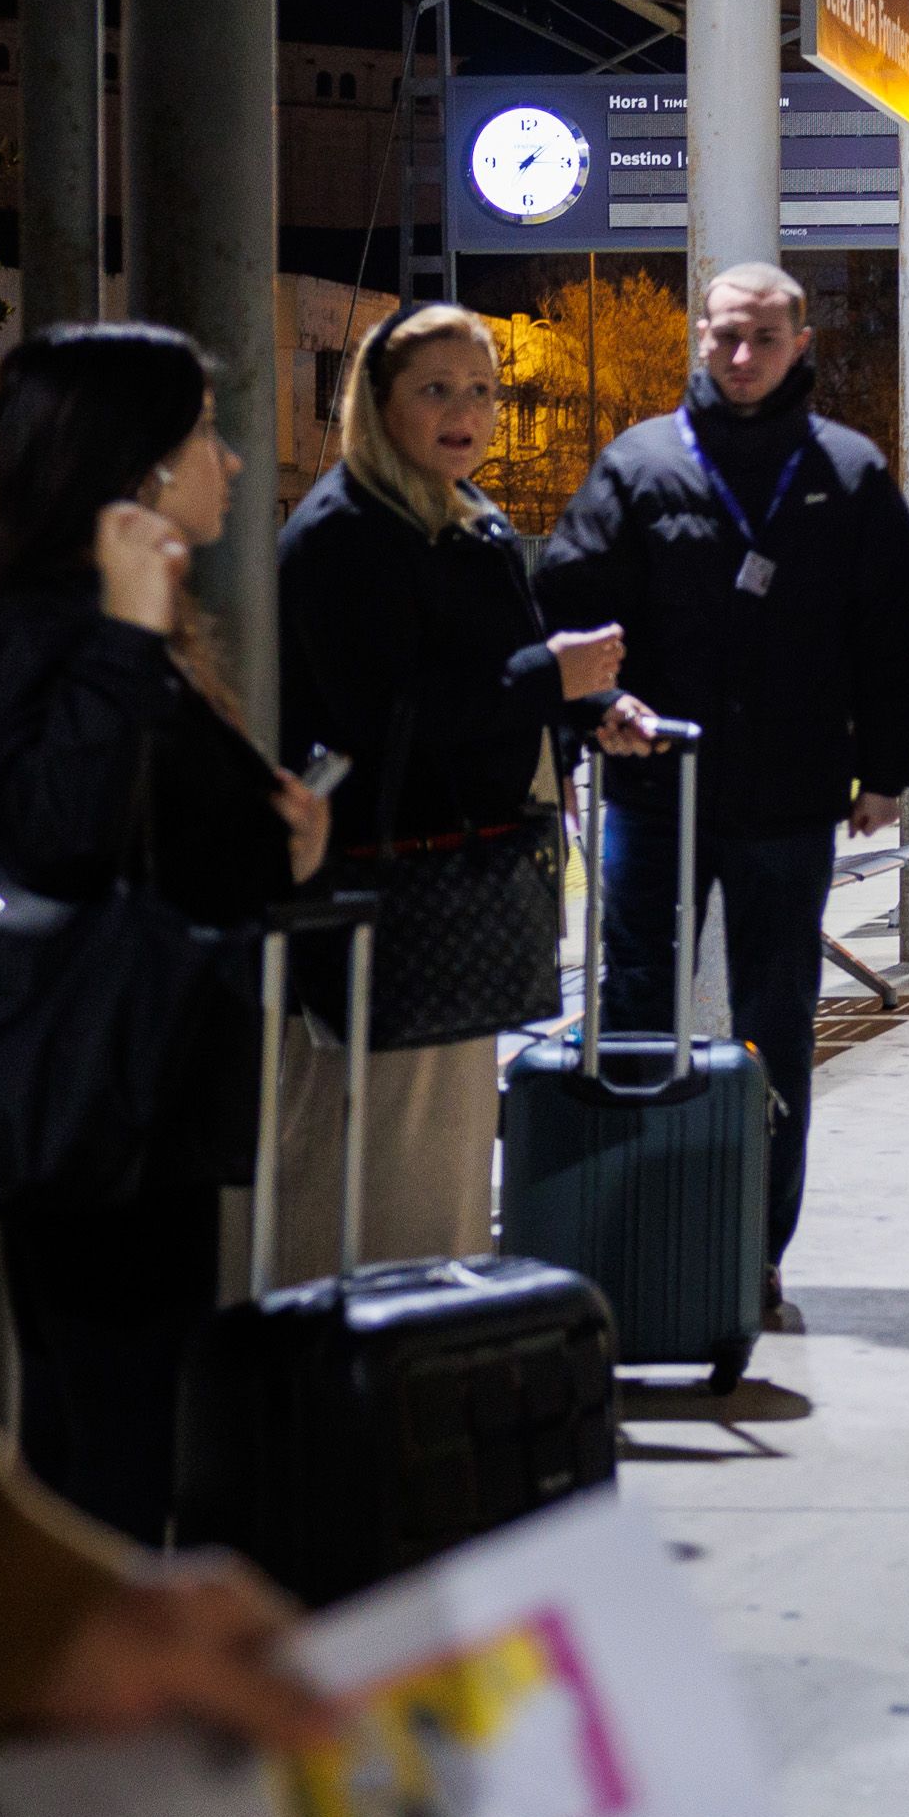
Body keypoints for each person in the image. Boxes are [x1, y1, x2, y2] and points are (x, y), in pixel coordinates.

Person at [0, 325, 329, 1541]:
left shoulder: (54, 620)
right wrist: (127, 634)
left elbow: (143, 833)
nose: (229, 463)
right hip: (96, 1111)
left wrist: (270, 843)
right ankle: (112, 1707)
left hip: (117, 1102)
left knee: (100, 1428)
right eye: (202, 440)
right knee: (119, 1446)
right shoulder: (58, 628)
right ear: (133, 470)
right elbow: (55, 840)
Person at [536, 262, 909, 1320]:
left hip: (791, 797)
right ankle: (623, 1234)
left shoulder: (847, 474)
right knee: (632, 1010)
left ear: (801, 342)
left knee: (777, 1020)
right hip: (655, 789)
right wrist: (588, 719)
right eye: (723, 338)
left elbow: (892, 634)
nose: (742, 357)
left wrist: (885, 771)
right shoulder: (639, 465)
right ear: (698, 342)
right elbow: (565, 607)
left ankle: (752, 1245)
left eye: (761, 337)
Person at [273, 305, 644, 1281]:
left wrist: (581, 709)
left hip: (454, 889)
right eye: (436, 389)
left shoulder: (454, 512)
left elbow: (481, 677)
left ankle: (422, 1364)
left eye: (481, 390)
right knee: (371, 1171)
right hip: (384, 898)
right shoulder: (348, 531)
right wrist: (544, 680)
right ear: (375, 400)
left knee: (434, 1168)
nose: (465, 411)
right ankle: (357, 1381)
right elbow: (378, 716)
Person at [0, 1175, 328, 1756]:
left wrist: (43, 1612)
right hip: (115, 1145)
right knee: (115, 1419)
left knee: (75, 1410)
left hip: (82, 1149)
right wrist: (34, 1621)